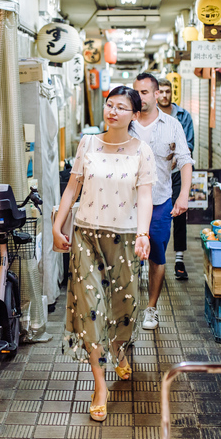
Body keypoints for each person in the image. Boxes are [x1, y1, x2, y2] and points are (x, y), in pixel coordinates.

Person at [53, 86, 154, 422]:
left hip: (125, 237)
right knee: (90, 309)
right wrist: (58, 225)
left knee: (123, 307)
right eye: (109, 105)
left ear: (134, 115)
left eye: (121, 107)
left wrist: (143, 233)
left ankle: (120, 351)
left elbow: (146, 196)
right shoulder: (89, 144)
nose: (112, 111)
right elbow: (72, 188)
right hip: (86, 235)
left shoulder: (143, 151)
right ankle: (100, 385)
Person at [132, 73, 194, 331]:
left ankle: (151, 308)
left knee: (157, 255)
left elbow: (185, 161)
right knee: (126, 256)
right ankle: (127, 307)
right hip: (126, 204)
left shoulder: (172, 124)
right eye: (136, 93)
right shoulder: (126, 123)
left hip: (159, 201)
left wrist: (183, 195)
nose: (139, 98)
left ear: (157, 94)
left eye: (144, 93)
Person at [157, 78, 194, 281]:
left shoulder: (182, 116)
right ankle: (152, 257)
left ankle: (179, 259)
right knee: (155, 213)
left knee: (179, 214)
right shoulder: (149, 116)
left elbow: (187, 146)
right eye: (160, 91)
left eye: (167, 91)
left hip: (177, 174)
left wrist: (173, 158)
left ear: (172, 93)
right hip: (155, 175)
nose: (164, 95)